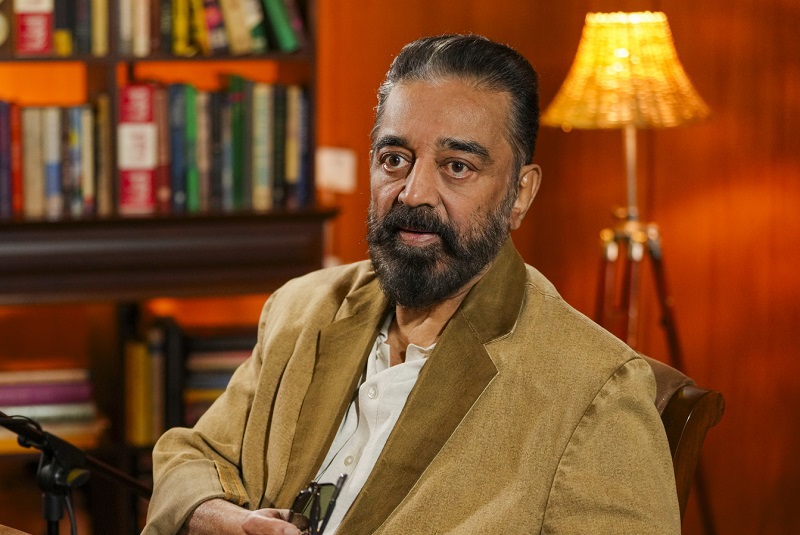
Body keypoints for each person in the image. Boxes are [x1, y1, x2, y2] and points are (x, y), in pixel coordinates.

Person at [143, 34, 681, 534]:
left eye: (457, 166)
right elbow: (194, 455)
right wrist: (220, 518)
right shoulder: (300, 308)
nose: (414, 192)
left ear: (520, 193)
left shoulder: (597, 392)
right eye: (395, 159)